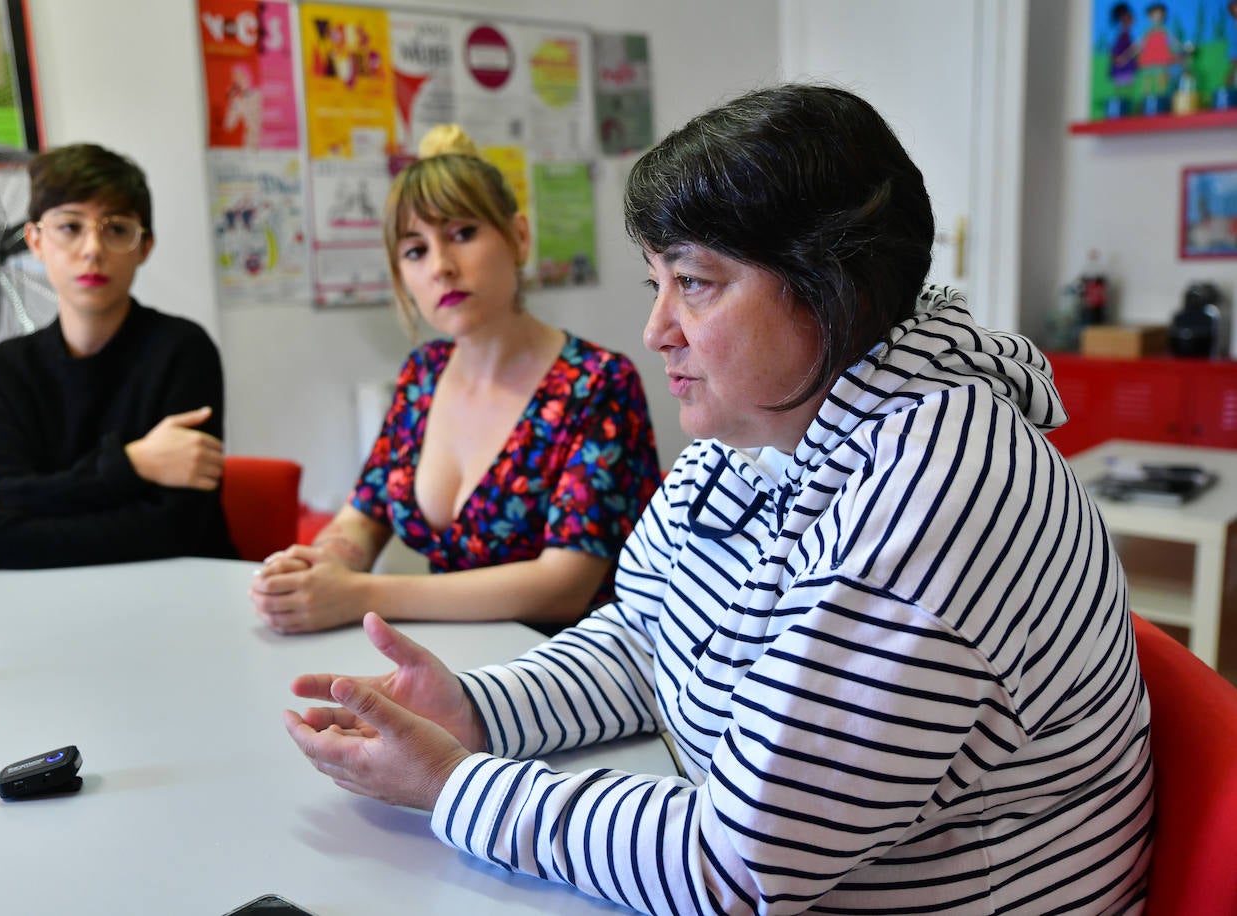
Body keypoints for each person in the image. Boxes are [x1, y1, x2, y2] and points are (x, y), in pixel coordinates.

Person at [282, 85, 1153, 914]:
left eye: (693, 283)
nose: (657, 328)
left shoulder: (935, 499)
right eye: (654, 284)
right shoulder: (760, 429)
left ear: (831, 287)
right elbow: (644, 639)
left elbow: (734, 868)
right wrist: (475, 711)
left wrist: (448, 785)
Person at [250, 125, 660, 636]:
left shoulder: (598, 384)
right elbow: (365, 513)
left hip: (573, 679)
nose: (441, 267)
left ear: (518, 237)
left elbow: (565, 585)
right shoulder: (423, 375)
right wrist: (323, 562)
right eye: (415, 250)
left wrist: (363, 594)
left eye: (462, 234)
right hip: (451, 664)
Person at [0, 143, 237, 569]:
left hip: (178, 597)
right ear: (35, 241)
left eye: (117, 229)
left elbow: (175, 530)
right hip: (42, 604)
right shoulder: (11, 366)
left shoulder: (183, 350)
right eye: (70, 227)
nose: (92, 249)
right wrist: (132, 464)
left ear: (145, 246)